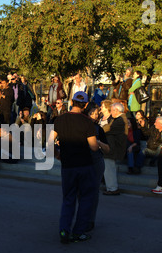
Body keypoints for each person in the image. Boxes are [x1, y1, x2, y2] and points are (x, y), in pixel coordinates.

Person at [51, 91, 99, 244]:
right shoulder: (87, 122)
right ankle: (78, 232)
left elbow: (48, 142)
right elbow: (93, 147)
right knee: (85, 199)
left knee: (68, 199)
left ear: (71, 102)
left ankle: (64, 230)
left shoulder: (59, 120)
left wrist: (58, 155)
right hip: (85, 165)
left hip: (67, 166)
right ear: (85, 105)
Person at [84, 105, 109, 231]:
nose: (95, 116)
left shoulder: (99, 129)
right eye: (92, 113)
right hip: (82, 161)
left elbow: (107, 148)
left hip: (96, 161)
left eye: (96, 113)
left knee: (93, 192)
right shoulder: (80, 127)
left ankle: (90, 220)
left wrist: (98, 143)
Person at [102, 102, 128, 195]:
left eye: (112, 110)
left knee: (109, 169)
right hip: (113, 147)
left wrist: (101, 128)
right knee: (109, 168)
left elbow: (107, 128)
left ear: (116, 110)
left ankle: (112, 188)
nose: (111, 112)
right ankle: (111, 187)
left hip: (113, 148)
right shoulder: (118, 119)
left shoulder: (120, 120)